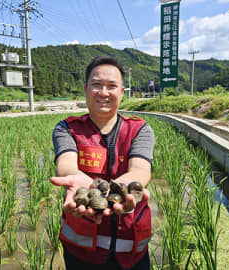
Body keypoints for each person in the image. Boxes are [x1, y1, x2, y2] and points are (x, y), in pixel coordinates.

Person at [50, 56, 155, 270]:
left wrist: (128, 188)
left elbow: (141, 169)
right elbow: (67, 164)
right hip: (82, 253)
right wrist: (78, 182)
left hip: (131, 253)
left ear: (122, 92)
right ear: (86, 88)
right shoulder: (67, 129)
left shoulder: (140, 129)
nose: (104, 92)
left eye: (111, 86)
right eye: (97, 85)